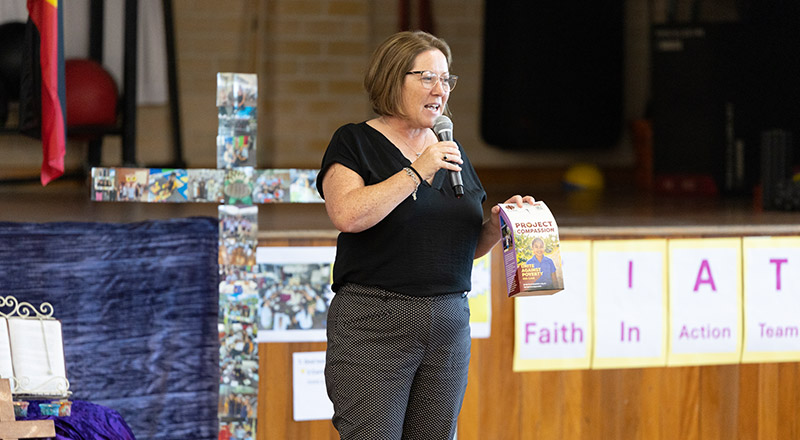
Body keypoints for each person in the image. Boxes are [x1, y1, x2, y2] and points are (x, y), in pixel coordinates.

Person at [316, 30, 535, 440]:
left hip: (449, 322)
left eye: (446, 80)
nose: (441, 90)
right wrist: (417, 170)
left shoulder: (451, 149)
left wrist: (499, 225)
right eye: (428, 78)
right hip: (376, 320)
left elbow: (462, 248)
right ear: (392, 79)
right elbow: (347, 214)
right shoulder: (355, 141)